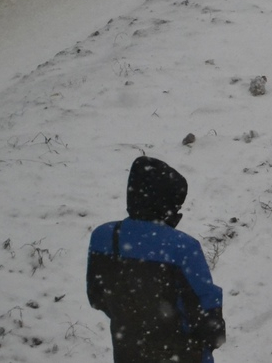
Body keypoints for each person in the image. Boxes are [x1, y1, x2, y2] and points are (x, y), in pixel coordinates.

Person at [87, 156, 226, 363]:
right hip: (184, 354)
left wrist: (135, 324)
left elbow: (97, 296)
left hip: (129, 351)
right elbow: (206, 314)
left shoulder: (104, 236)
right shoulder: (181, 247)